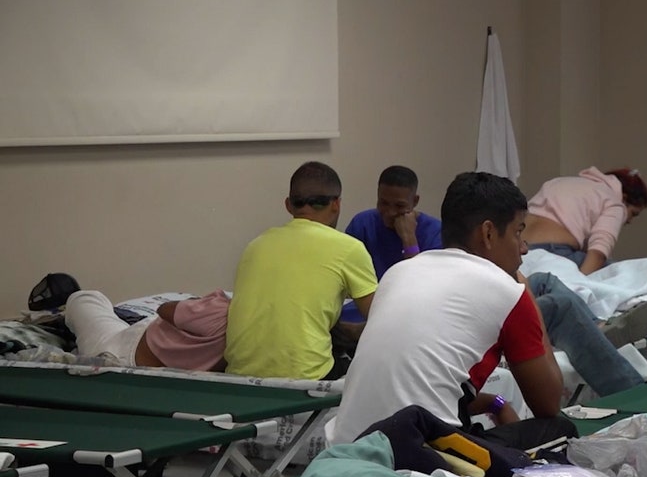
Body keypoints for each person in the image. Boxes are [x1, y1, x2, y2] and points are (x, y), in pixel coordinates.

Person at [329, 171, 578, 450]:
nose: (524, 248)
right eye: (518, 232)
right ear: (488, 233)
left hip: (347, 447)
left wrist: (496, 402)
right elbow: (548, 403)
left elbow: (421, 386)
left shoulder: (397, 274)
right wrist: (524, 290)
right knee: (561, 429)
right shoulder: (507, 292)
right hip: (421, 456)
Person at [224, 161, 377, 381]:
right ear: (336, 204)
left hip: (241, 376)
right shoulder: (349, 248)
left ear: (288, 205)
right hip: (307, 377)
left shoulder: (255, 245)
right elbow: (380, 317)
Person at [523, 167, 647, 275]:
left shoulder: (558, 182)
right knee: (622, 272)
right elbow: (599, 252)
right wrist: (581, 284)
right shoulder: (614, 203)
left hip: (520, 251)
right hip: (556, 253)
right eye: (633, 214)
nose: (629, 221)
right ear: (624, 199)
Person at [63, 290, 229, 371]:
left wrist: (200, 302)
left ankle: (73, 296)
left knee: (86, 300)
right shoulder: (250, 338)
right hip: (144, 340)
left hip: (124, 353)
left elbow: (164, 309)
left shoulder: (221, 310)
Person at [345, 165, 443, 280]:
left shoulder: (435, 232)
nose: (390, 212)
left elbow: (422, 282)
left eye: (399, 206)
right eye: (384, 203)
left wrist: (409, 240)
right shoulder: (362, 224)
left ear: (415, 201)